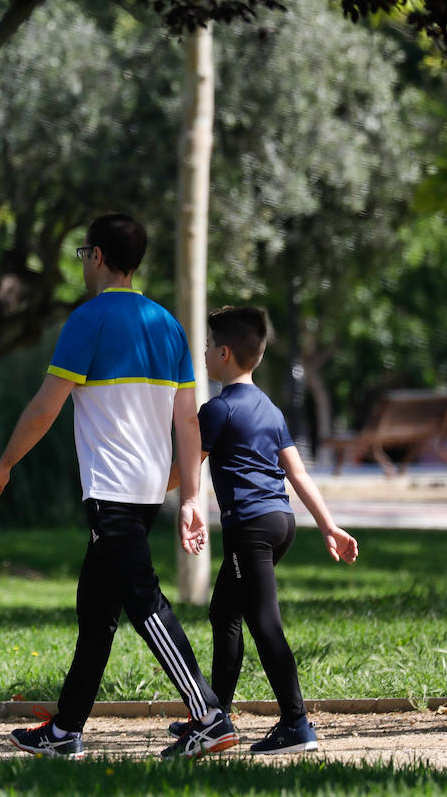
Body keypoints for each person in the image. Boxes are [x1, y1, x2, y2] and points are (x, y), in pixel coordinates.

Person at [0, 212, 236, 760]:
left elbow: (46, 406)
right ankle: (65, 729)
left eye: (82, 254)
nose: (81, 263)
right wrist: (190, 496)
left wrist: (4, 464)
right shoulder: (167, 324)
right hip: (145, 493)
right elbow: (188, 420)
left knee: (143, 602)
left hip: (111, 492)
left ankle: (210, 715)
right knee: (96, 611)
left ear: (96, 256)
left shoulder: (88, 321)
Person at [164, 306, 358, 755]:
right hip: (280, 523)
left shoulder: (217, 411)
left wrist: (141, 488)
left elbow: (184, 469)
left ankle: (296, 724)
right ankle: (214, 718)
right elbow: (298, 474)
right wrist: (328, 526)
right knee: (225, 613)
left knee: (263, 621)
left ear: (226, 353)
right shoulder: (269, 409)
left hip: (249, 528)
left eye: (210, 346)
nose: (205, 353)